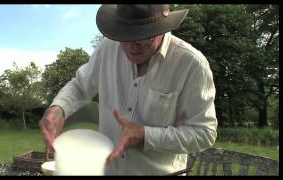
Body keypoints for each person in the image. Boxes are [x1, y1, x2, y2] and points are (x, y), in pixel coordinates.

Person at [39, 4, 218, 175]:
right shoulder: (108, 47)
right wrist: (59, 108)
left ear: (162, 28)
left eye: (143, 38)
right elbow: (79, 86)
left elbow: (204, 133)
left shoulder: (192, 64)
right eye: (125, 37)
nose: (131, 47)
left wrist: (146, 135)